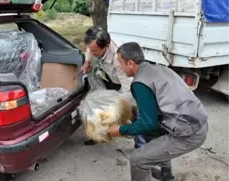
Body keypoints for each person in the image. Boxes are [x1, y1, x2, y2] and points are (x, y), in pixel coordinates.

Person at [108, 42, 208, 181]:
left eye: (120, 62)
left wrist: (120, 129)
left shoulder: (140, 83)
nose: (119, 66)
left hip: (189, 133)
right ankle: (166, 174)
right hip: (198, 122)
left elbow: (148, 124)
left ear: (130, 63)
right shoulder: (159, 69)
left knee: (138, 160)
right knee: (152, 136)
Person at [81, 27, 136, 146]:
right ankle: (97, 134)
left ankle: (140, 145)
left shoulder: (120, 58)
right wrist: (87, 62)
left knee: (133, 113)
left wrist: (115, 111)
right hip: (108, 76)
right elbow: (89, 49)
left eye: (95, 51)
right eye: (91, 49)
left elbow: (128, 88)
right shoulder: (94, 46)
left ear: (106, 46)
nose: (92, 52)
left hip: (123, 82)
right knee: (97, 102)